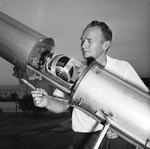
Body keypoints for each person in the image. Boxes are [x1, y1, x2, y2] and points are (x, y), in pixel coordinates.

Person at [31, 20, 149, 149]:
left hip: (120, 139)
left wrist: (123, 128)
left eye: (89, 40)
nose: (83, 45)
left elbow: (142, 104)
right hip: (86, 139)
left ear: (105, 45)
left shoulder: (122, 68)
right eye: (82, 40)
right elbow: (62, 104)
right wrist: (46, 101)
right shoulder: (73, 70)